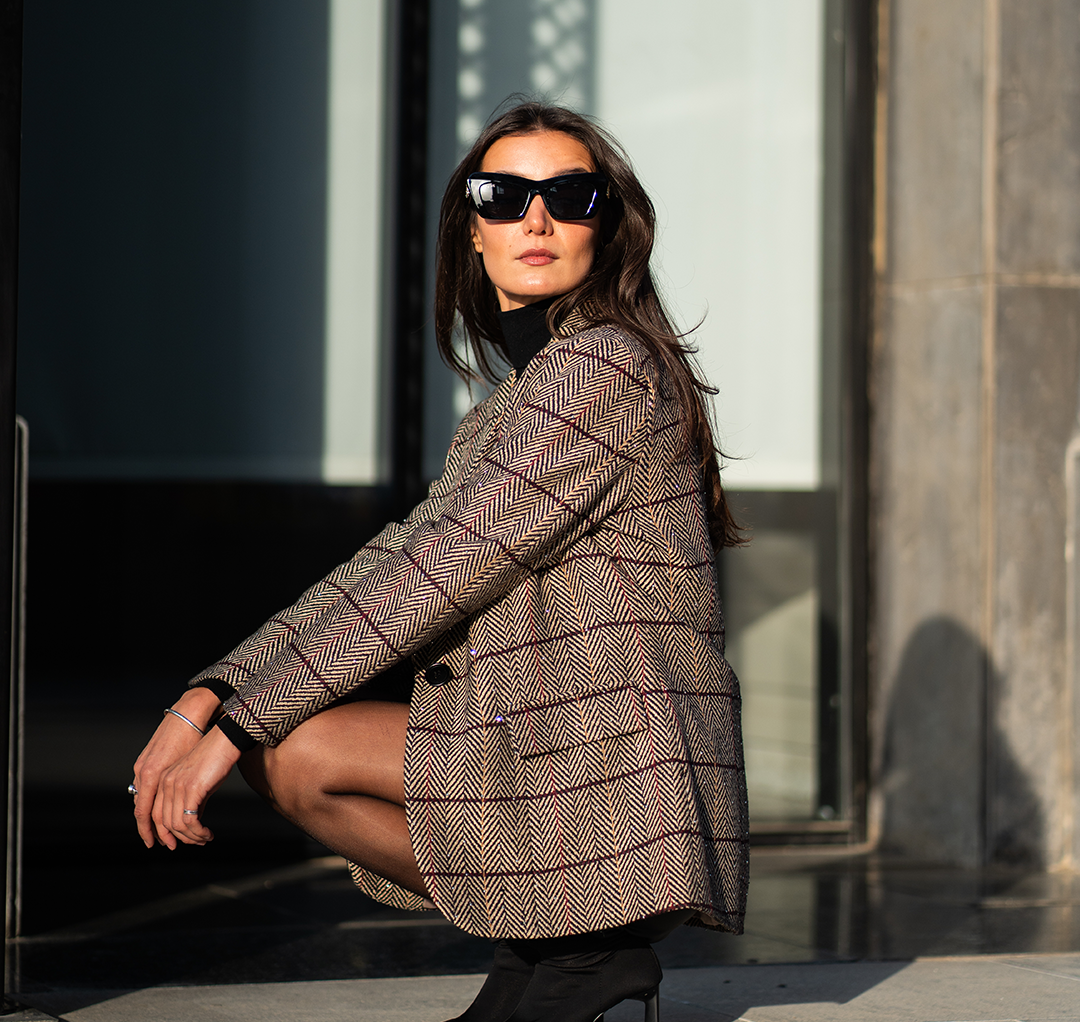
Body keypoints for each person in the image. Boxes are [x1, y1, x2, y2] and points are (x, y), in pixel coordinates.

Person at [131, 101, 749, 1022]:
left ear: (607, 227)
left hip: (610, 759)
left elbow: (436, 574)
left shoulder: (603, 367)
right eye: (502, 195)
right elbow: (396, 557)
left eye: (569, 196)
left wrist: (229, 724)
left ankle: (586, 949)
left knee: (290, 745)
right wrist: (213, 693)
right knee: (294, 756)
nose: (534, 220)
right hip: (546, 741)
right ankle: (556, 944)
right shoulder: (530, 388)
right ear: (472, 228)